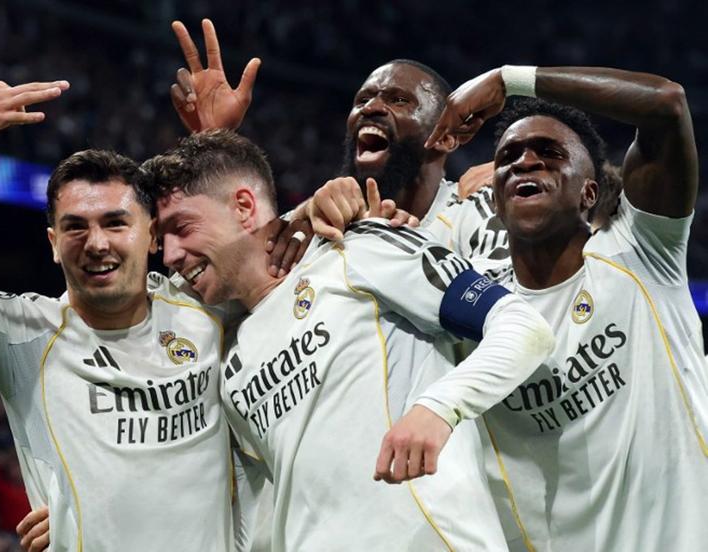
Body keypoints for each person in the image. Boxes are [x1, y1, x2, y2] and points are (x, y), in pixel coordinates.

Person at [145, 129, 555, 551]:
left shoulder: (358, 249)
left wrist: (439, 407)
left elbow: (524, 328)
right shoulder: (228, 360)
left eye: (183, 227)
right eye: (163, 238)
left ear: (244, 207)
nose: (171, 254)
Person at [0, 81, 236, 551]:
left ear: (152, 235)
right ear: (53, 244)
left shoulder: (207, 308)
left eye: (115, 223)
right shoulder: (22, 334)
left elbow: (268, 241)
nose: (96, 243)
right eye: (75, 227)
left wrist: (220, 146)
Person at [390, 65, 708, 551]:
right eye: (509, 156)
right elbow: (386, 231)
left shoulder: (641, 251)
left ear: (590, 191)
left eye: (550, 153)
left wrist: (509, 79)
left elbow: (667, 104)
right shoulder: (476, 311)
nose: (525, 162)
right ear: (494, 202)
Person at [169, 20, 465, 227]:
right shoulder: (320, 223)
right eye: (362, 100)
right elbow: (236, 267)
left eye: (399, 100)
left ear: (447, 137)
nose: (371, 108)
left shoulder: (478, 216)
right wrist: (211, 138)